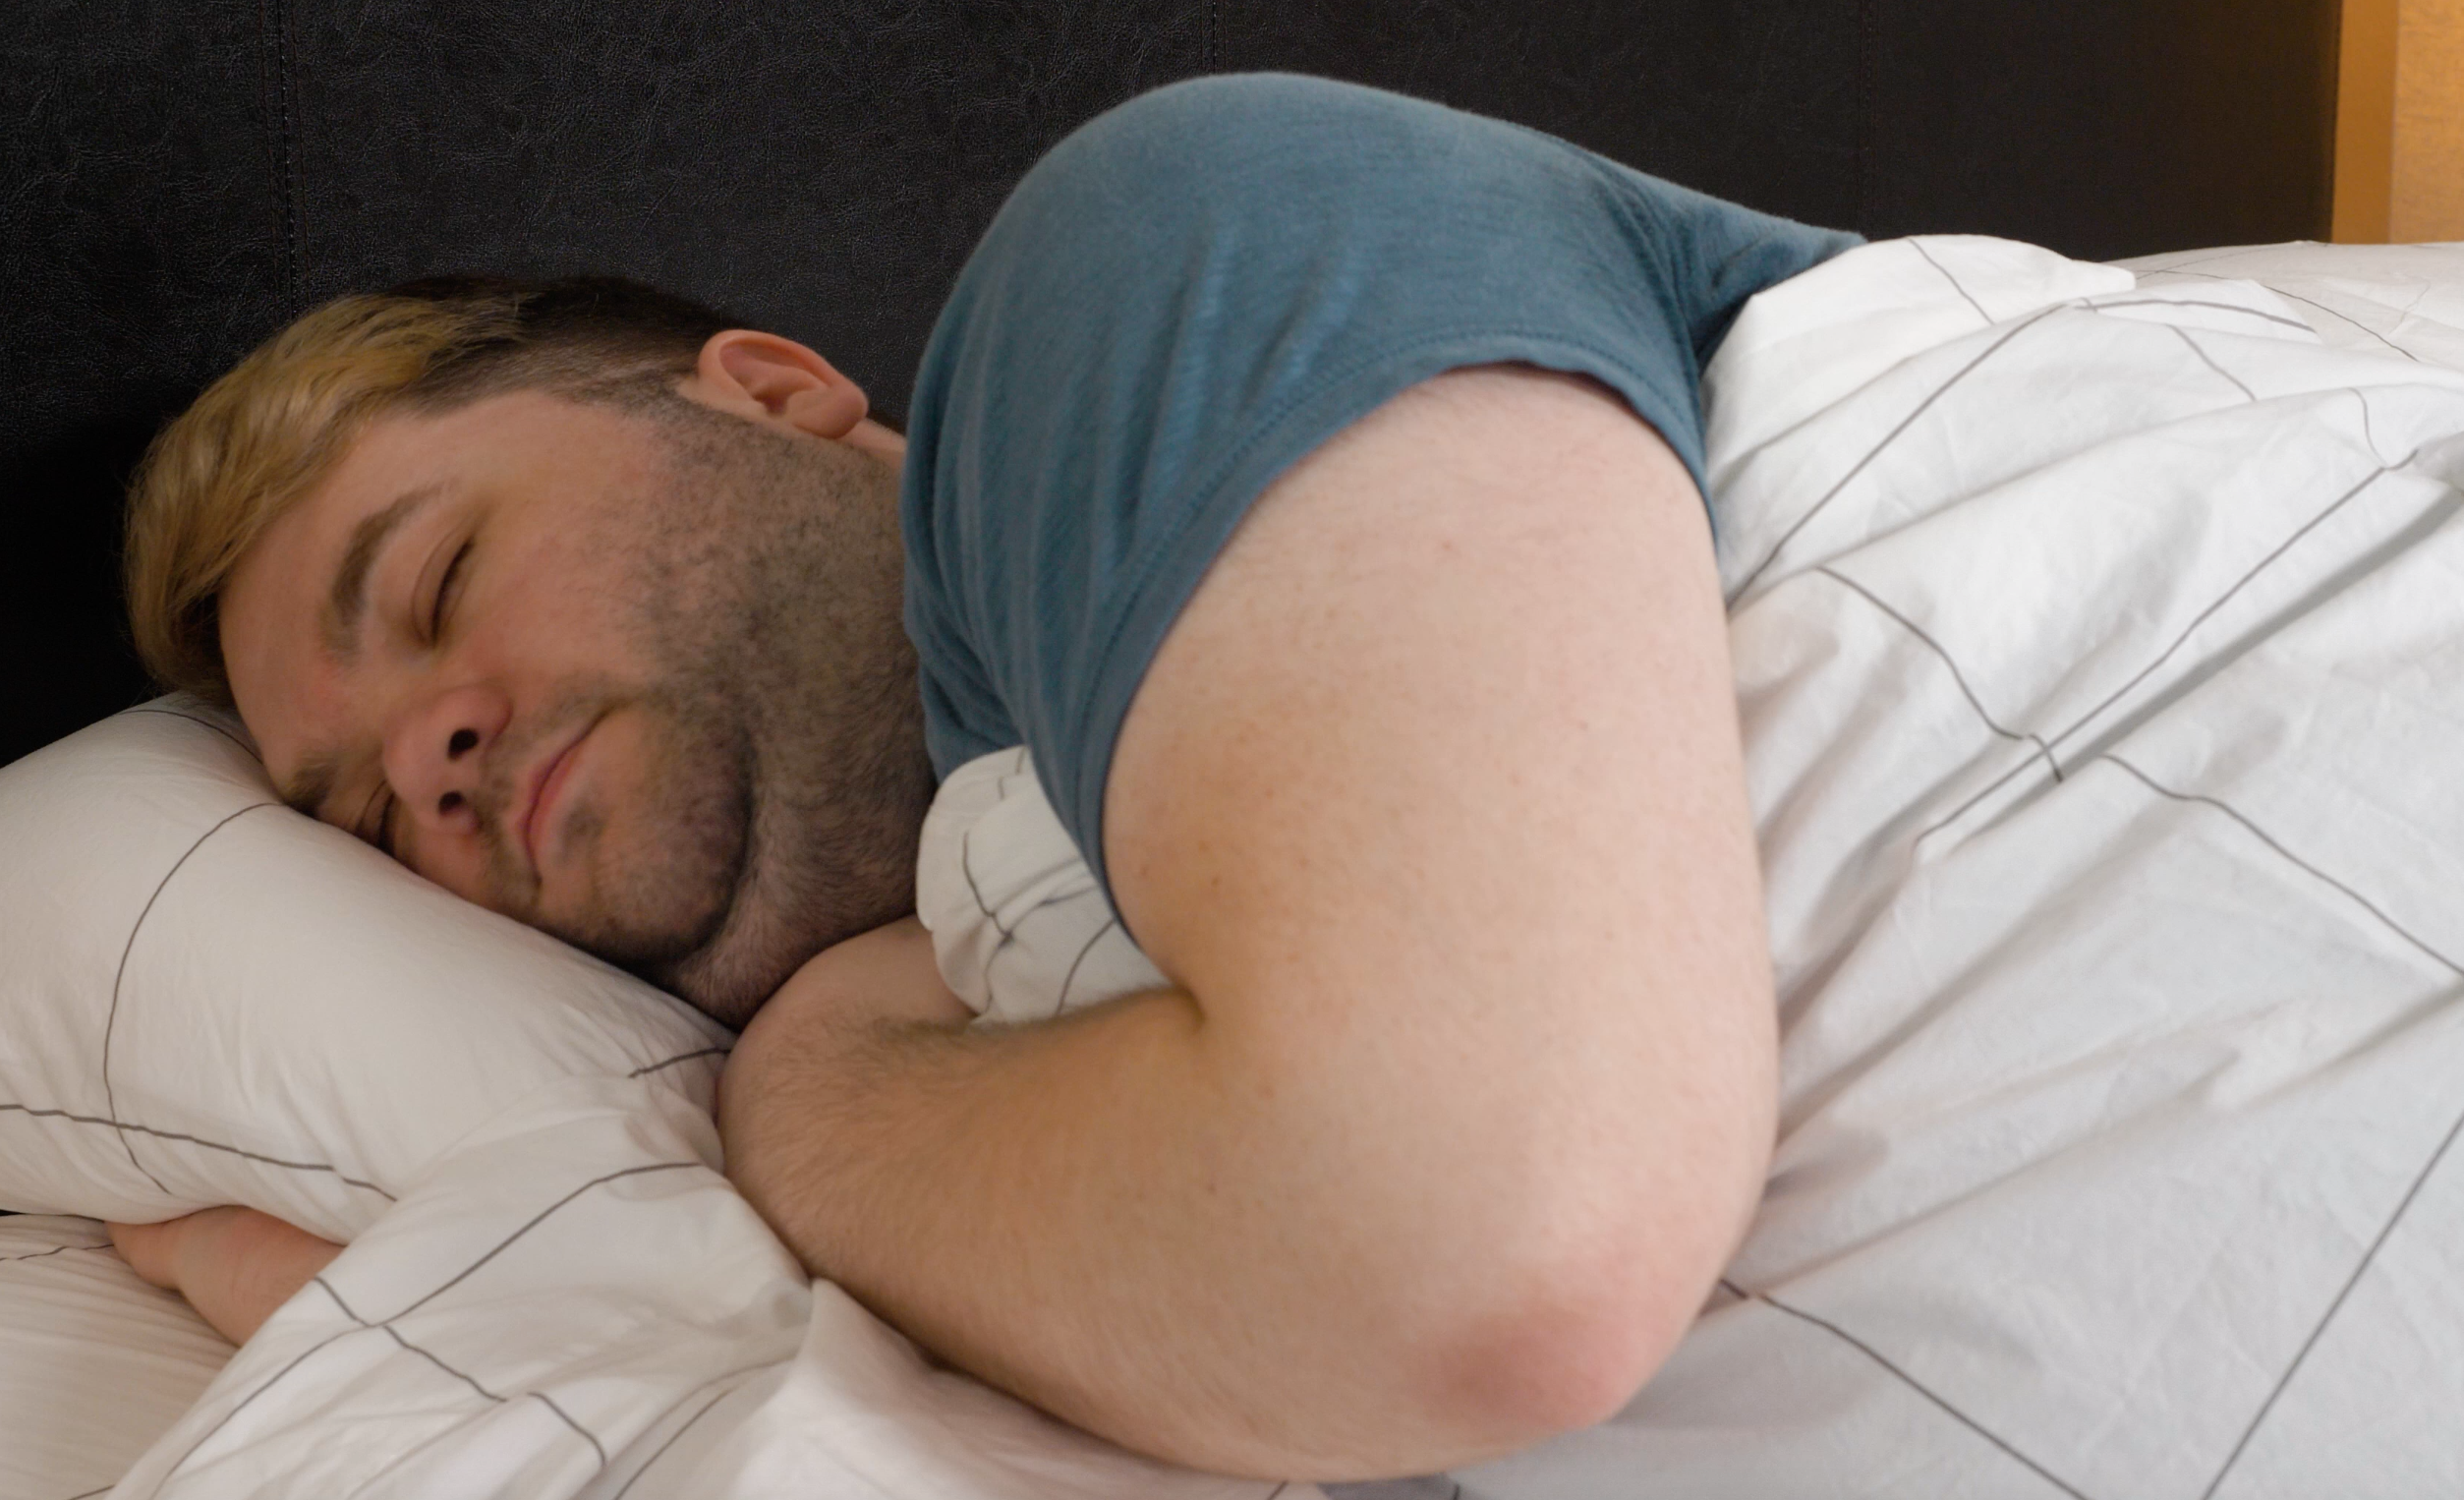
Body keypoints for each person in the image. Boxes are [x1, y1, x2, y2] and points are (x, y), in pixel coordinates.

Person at [107, 73, 1858, 1481]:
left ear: (771, 394)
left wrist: (813, 1086)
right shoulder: (996, 1064)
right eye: (358, 814)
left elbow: (1482, 1255)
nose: (429, 763)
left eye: (434, 584)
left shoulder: (1150, 255)